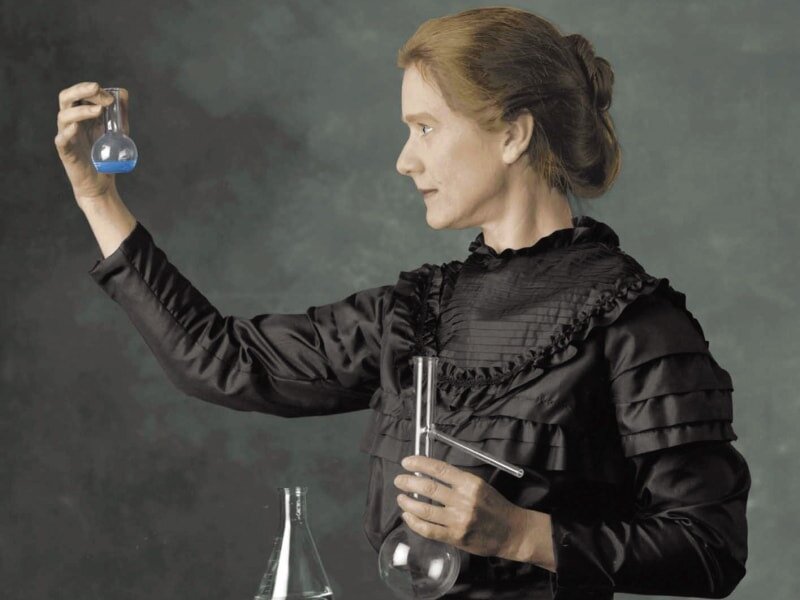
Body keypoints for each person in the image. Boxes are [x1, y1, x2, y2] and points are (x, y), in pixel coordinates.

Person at [54, 7, 750, 599]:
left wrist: (521, 534)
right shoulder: (417, 314)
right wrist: (97, 196)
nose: (404, 159)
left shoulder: (634, 322)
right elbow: (223, 361)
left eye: (426, 127)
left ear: (513, 133)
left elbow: (710, 548)